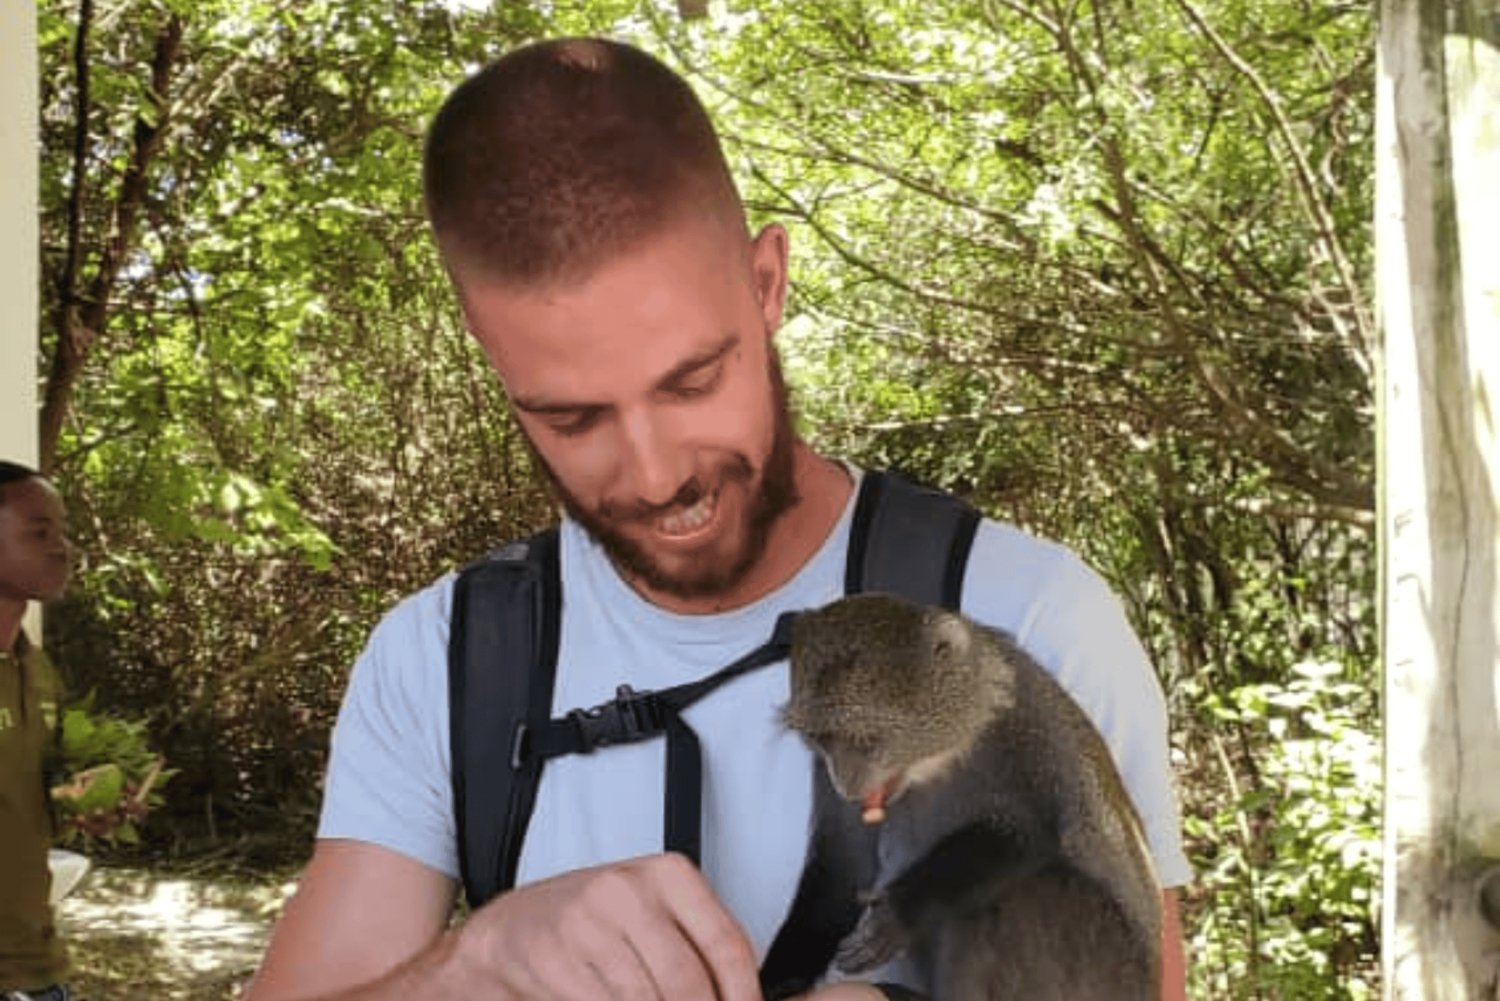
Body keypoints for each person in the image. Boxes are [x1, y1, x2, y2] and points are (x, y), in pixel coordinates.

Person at [245, 37, 1192, 1001]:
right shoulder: (443, 659)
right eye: (573, 416)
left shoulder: (1029, 613)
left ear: (769, 283)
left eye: (693, 381)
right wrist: (468, 965)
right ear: (496, 365)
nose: (655, 475)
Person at [0, 461, 75, 1001]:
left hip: (38, 969)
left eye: (63, 531)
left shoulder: (37, 670)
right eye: (39, 532)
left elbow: (27, 805)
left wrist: (79, 807)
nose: (62, 547)